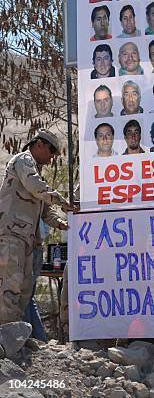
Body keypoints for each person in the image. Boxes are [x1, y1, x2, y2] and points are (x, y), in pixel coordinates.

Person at [0, 129, 73, 325]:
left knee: (24, 290)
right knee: (10, 287)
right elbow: (35, 186)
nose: (51, 158)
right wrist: (62, 200)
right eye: (51, 151)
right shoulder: (23, 160)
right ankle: (4, 337)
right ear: (39, 144)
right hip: (11, 236)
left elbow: (46, 210)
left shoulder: (37, 175)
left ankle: (14, 335)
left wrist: (61, 223)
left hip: (27, 240)